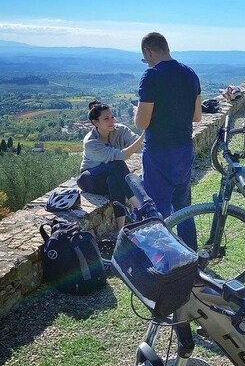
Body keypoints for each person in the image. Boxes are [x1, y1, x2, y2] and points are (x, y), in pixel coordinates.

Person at [134, 32, 202, 247]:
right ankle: (192, 258)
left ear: (149, 52)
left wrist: (138, 111)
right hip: (184, 149)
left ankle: (164, 262)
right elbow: (197, 116)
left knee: (157, 211)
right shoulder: (190, 73)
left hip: (159, 151)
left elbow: (142, 123)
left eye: (145, 59)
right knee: (184, 209)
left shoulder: (152, 76)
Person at [78, 101, 144, 229]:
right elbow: (121, 156)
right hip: (90, 179)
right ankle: (139, 207)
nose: (112, 121)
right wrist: (143, 136)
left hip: (110, 176)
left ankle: (121, 228)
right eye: (106, 119)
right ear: (95, 123)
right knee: (117, 163)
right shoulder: (91, 142)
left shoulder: (120, 130)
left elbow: (139, 145)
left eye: (112, 117)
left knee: (114, 181)